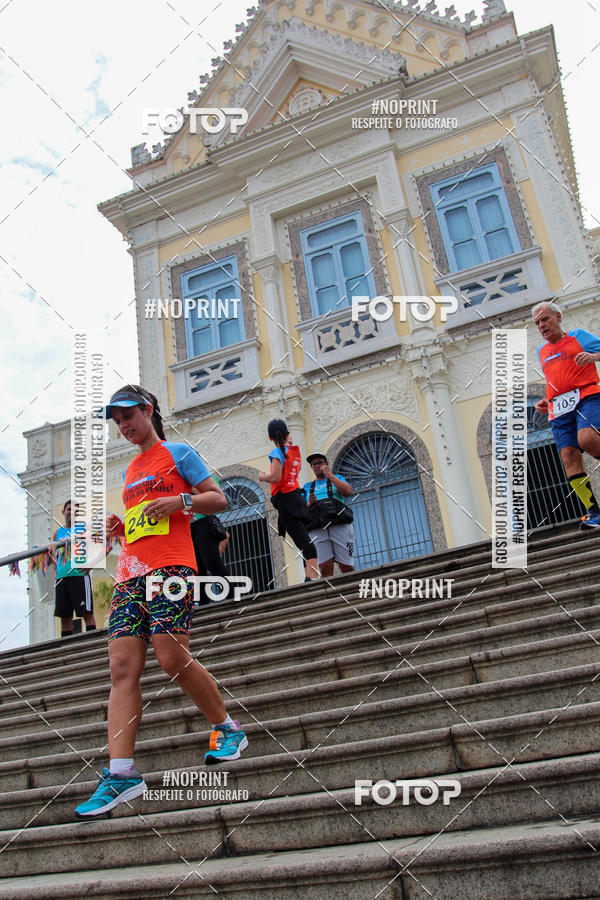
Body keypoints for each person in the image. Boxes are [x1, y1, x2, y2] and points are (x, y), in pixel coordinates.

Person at [75, 385, 247, 818]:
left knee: (172, 658)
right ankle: (121, 772)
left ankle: (227, 729)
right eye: (117, 421)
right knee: (121, 667)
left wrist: (180, 500)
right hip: (132, 571)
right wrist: (121, 528)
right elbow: (142, 522)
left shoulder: (179, 453)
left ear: (148, 410)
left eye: (128, 416)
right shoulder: (131, 470)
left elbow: (219, 498)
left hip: (172, 568)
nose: (123, 426)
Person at [534, 301, 600, 528]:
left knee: (588, 438)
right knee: (568, 457)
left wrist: (593, 357)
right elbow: (555, 377)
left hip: (587, 397)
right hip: (559, 410)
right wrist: (546, 399)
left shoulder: (578, 337)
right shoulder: (541, 352)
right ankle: (594, 513)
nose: (541, 325)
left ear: (558, 317)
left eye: (545, 319)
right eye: (537, 323)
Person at [258, 418, 319, 582]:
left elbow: (276, 476)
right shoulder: (295, 451)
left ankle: (312, 578)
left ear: (270, 438)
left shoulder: (277, 453)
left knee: (305, 543)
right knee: (305, 541)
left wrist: (263, 477)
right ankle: (310, 577)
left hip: (286, 501)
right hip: (296, 498)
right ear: (287, 434)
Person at [302, 452, 355, 577]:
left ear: (326, 464)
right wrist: (309, 503)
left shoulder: (337, 478)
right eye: (314, 464)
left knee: (347, 566)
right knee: (324, 568)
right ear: (311, 467)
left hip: (340, 525)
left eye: (320, 462)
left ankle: (354, 592)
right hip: (317, 528)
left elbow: (347, 491)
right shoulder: (307, 487)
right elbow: (301, 511)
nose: (317, 466)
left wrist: (329, 474)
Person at [51, 500, 96, 637]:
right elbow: (53, 554)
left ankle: (91, 645)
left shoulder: (85, 528)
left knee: (86, 613)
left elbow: (101, 546)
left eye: (76, 510)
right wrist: (55, 570)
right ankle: (66, 652)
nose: (72, 512)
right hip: (62, 578)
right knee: (65, 617)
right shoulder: (58, 532)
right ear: (63, 512)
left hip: (79, 575)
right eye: (69, 509)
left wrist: (92, 563)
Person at [190, 480, 231, 606]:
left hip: (203, 522)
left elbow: (212, 497)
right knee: (198, 569)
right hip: (189, 526)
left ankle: (232, 595)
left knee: (213, 565)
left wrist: (191, 487)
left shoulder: (206, 479)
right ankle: (203, 603)